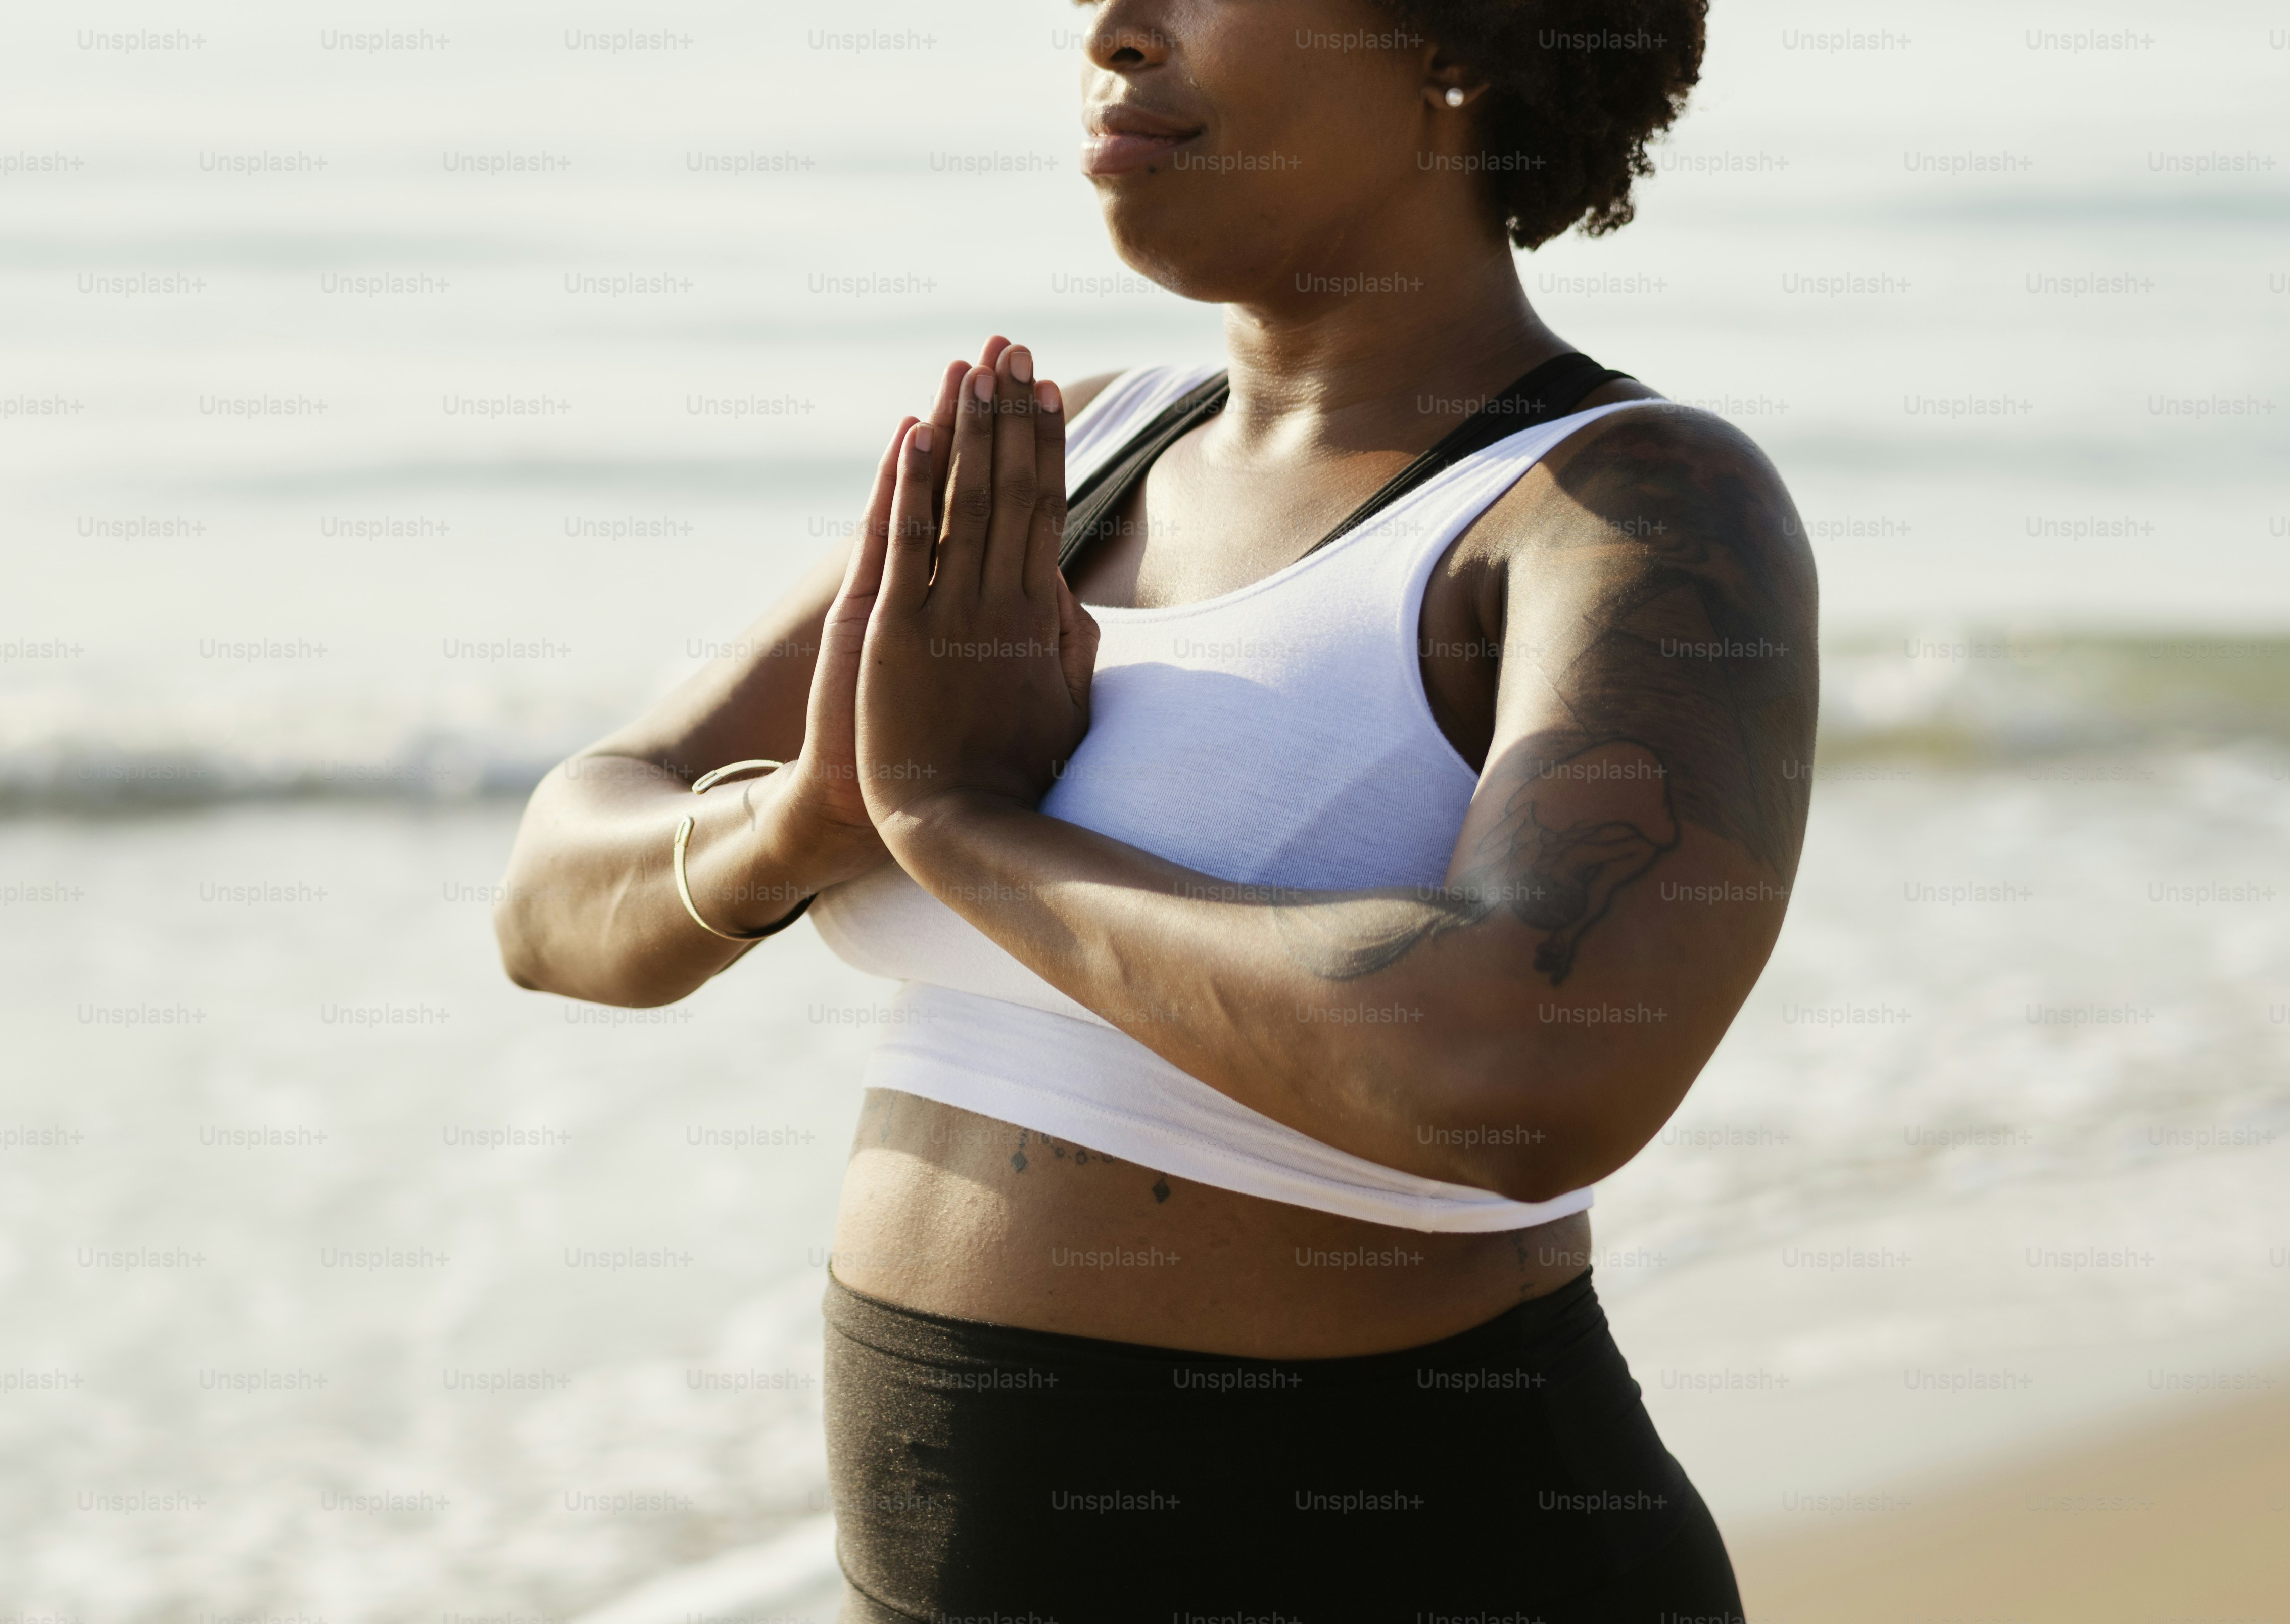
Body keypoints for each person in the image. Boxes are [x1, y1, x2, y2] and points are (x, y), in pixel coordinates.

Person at [495, 0, 1814, 1616]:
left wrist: (964, 831)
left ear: (1457, 46)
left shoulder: (1626, 506)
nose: (1115, 28)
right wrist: (813, 822)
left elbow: (1534, 1065)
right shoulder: (1074, 458)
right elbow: (554, 903)